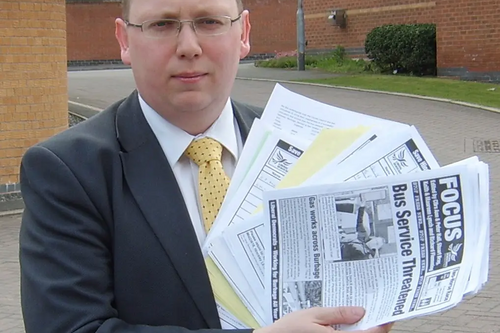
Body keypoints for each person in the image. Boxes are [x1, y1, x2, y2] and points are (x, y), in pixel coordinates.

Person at [18, 0, 394, 332]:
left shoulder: (306, 145)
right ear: (124, 40)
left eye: (210, 21)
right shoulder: (66, 171)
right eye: (161, 24)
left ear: (243, 33)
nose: (189, 47)